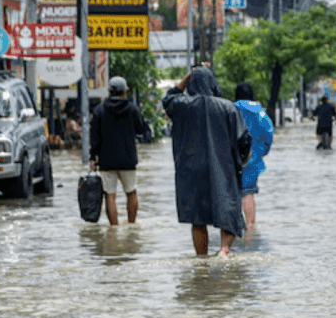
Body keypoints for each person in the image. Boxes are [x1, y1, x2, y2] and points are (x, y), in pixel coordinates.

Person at [163, 66, 251, 257]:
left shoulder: (181, 105)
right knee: (229, 209)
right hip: (223, 167)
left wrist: (188, 76)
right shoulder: (228, 107)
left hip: (190, 170)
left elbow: (167, 98)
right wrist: (243, 159)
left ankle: (201, 258)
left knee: (197, 217)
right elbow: (244, 138)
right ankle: (224, 250)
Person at [89, 76, 148, 225]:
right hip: (128, 158)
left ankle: (113, 228)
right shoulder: (132, 108)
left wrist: (92, 158)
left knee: (110, 195)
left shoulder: (99, 110)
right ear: (124, 92)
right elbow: (141, 129)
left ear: (109, 91)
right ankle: (131, 225)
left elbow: (94, 137)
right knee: (131, 192)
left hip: (106, 160)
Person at [233, 82, 274, 231]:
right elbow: (269, 134)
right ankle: (250, 229)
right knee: (248, 193)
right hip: (252, 159)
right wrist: (262, 152)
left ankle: (231, 228)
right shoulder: (260, 112)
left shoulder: (231, 108)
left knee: (230, 192)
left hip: (231, 157)